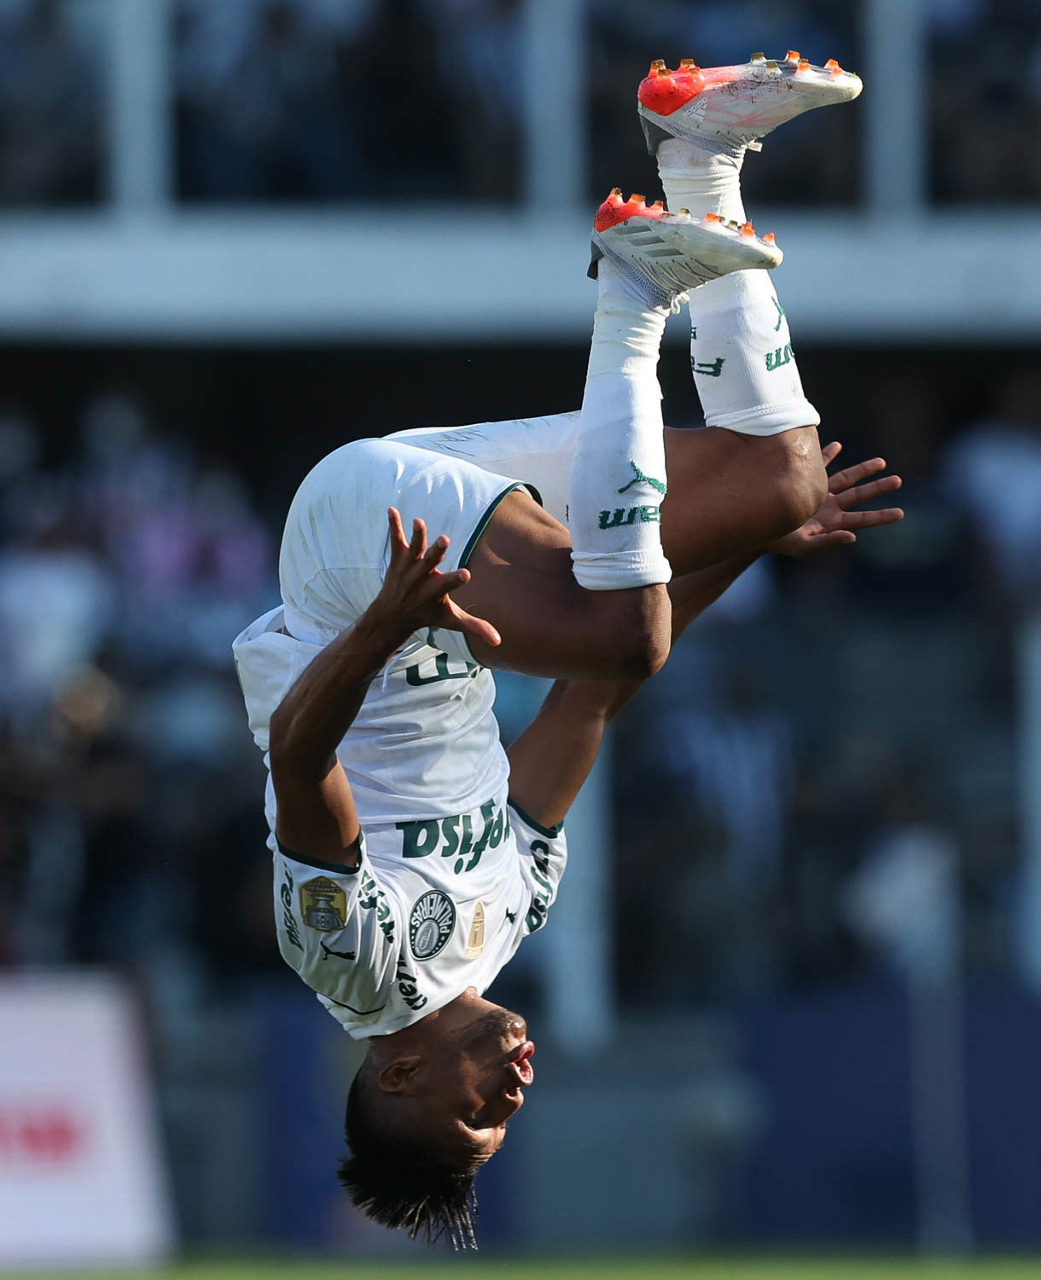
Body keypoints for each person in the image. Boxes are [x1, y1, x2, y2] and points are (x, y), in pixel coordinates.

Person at [233, 52, 896, 1246]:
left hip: (356, 561)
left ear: (399, 1075)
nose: (514, 1090)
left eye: (478, 1111)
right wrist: (752, 543)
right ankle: (700, 151)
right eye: (509, 1115)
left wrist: (382, 621)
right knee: (776, 477)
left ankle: (631, 289)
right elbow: (589, 701)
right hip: (450, 539)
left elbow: (296, 758)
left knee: (620, 626)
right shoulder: (511, 912)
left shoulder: (355, 969)